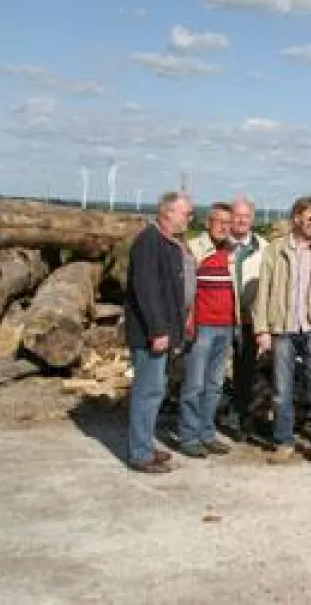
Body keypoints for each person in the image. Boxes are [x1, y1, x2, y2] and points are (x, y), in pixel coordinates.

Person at [253, 196, 311, 469]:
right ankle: (284, 443)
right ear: (296, 218)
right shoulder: (276, 250)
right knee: (282, 391)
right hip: (283, 329)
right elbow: (264, 290)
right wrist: (262, 329)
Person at [124, 191, 193, 473]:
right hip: (150, 335)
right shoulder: (149, 242)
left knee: (155, 391)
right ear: (168, 212)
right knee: (147, 392)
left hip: (162, 332)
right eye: (185, 213)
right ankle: (140, 454)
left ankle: (145, 444)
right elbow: (147, 290)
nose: (189, 219)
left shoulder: (166, 242)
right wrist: (158, 330)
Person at [176, 202, 236, 458]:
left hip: (226, 326)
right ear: (208, 222)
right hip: (202, 327)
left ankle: (207, 433)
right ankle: (188, 436)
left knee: (214, 385)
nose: (224, 227)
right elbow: (184, 289)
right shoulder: (194, 249)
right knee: (194, 384)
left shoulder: (232, 251)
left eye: (228, 222)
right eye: (219, 221)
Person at [225, 196, 267, 442]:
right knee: (214, 372)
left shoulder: (264, 248)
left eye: (246, 216)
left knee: (247, 373)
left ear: (252, 219)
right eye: (237, 215)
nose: (241, 220)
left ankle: (242, 419)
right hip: (221, 320)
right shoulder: (219, 247)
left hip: (251, 321)